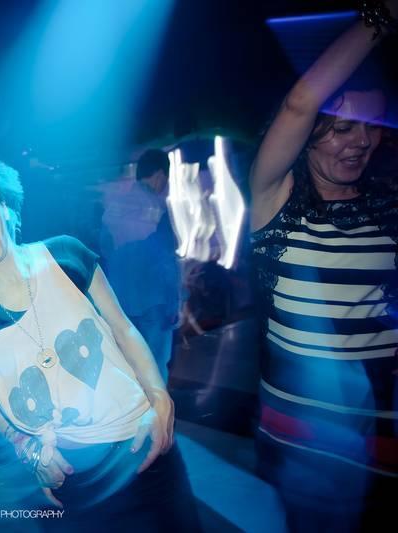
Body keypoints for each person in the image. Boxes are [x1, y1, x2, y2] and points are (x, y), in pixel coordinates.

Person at [0, 155, 198, 531]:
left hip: (142, 446)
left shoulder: (65, 255)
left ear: (6, 208)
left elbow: (123, 328)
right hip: (71, 476)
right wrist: (27, 449)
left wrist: (159, 395)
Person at [249, 2, 398, 530]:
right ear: (310, 134)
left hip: (383, 423)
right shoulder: (276, 201)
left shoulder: (387, 206)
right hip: (304, 428)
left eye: (371, 127)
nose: (360, 142)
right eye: (341, 127)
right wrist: (381, 16)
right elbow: (300, 103)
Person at [101, 149, 181, 382]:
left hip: (121, 303)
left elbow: (103, 251)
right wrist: (175, 302)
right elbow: (167, 260)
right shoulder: (159, 210)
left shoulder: (112, 209)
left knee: (128, 368)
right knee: (155, 368)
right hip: (154, 303)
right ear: (159, 175)